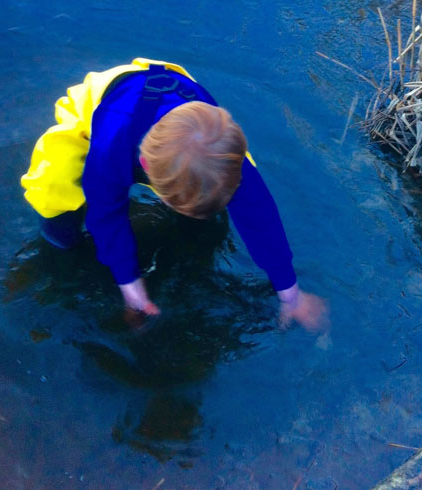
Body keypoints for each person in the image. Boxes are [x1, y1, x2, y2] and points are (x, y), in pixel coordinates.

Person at [22, 57, 327, 332]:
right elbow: (106, 214)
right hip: (100, 113)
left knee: (219, 192)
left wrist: (291, 295)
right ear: (144, 168)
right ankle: (60, 240)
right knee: (51, 192)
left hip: (181, 120)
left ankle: (195, 207)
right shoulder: (111, 149)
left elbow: (260, 217)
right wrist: (131, 287)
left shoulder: (228, 155)